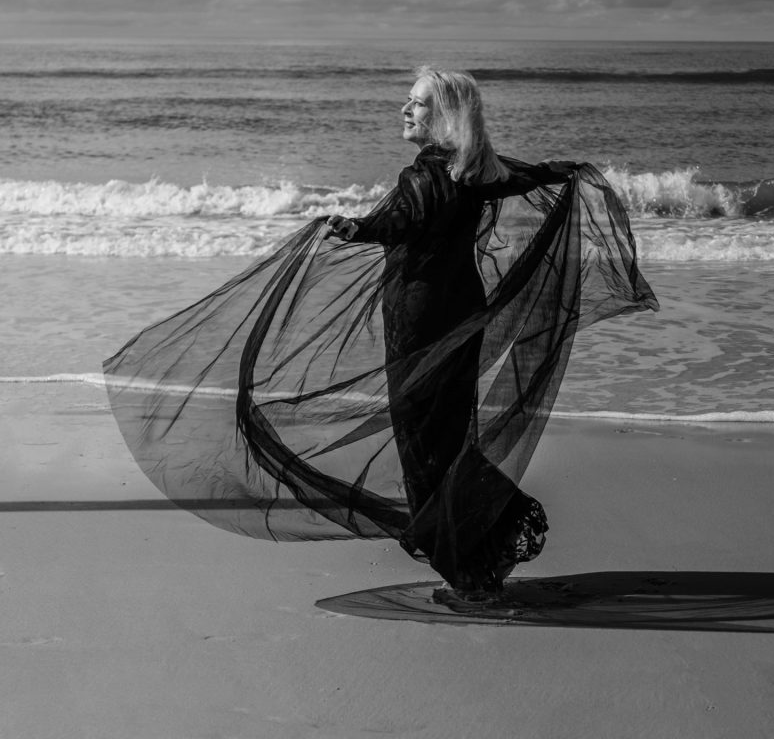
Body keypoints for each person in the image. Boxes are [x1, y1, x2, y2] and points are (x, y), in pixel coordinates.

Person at [104, 67, 657, 598]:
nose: (404, 107)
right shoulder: (476, 168)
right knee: (447, 435)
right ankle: (479, 548)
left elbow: (406, 218)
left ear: (441, 116)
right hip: (462, 314)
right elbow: (526, 177)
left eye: (415, 101)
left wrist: (357, 226)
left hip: (419, 321)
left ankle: (471, 563)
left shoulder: (423, 175)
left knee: (424, 443)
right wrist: (568, 169)